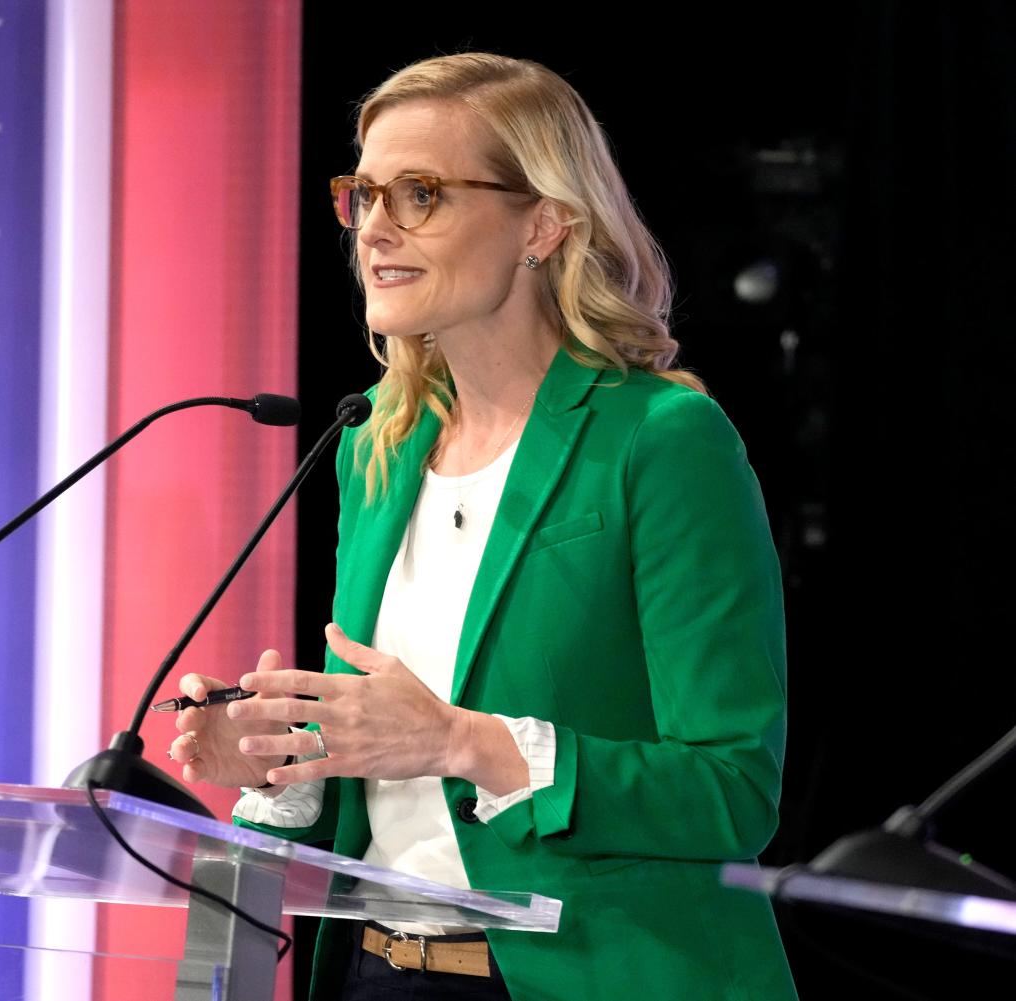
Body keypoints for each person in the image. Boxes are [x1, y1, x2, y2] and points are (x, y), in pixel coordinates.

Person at [169, 52, 798, 1001]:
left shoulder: (662, 440)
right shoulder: (377, 446)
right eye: (364, 193)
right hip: (378, 974)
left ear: (542, 224)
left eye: (419, 193)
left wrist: (468, 742)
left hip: (593, 978)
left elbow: (732, 789)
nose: (374, 229)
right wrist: (281, 760)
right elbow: (388, 784)